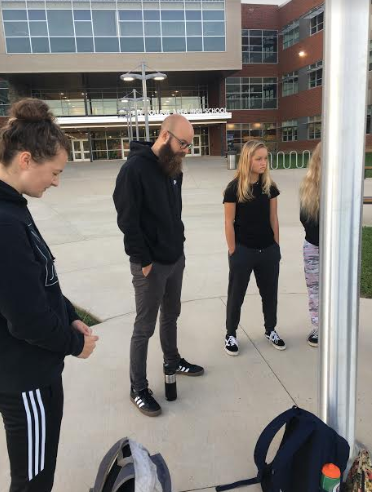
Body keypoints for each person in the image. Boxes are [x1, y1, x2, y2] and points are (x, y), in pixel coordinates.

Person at [0, 98, 99, 492]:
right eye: (54, 172)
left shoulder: (13, 208)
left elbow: (43, 279)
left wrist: (70, 313)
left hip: (30, 371)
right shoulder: (5, 223)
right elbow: (25, 319)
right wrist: (75, 343)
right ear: (26, 160)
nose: (56, 181)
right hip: (26, 379)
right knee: (34, 482)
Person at [113, 114, 204, 418]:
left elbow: (173, 213)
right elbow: (127, 220)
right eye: (183, 143)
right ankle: (137, 387)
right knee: (144, 327)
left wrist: (179, 243)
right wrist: (144, 261)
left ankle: (172, 360)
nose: (186, 150)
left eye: (189, 145)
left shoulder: (173, 168)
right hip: (150, 264)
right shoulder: (133, 170)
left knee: (172, 315)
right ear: (165, 136)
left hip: (175, 257)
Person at [223, 140, 286, 356]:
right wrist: (233, 250)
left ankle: (271, 330)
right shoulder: (234, 189)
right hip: (243, 251)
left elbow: (273, 218)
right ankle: (230, 333)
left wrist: (276, 247)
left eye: (265, 158)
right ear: (247, 159)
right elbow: (228, 222)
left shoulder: (270, 188)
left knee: (270, 295)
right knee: (236, 295)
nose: (263, 162)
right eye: (258, 158)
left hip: (268, 251)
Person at [299, 142, 321, 347]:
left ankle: (339, 324)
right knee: (314, 289)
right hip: (313, 246)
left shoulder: (345, 185)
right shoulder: (308, 185)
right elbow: (304, 217)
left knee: (340, 287)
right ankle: (318, 326)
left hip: (338, 248)